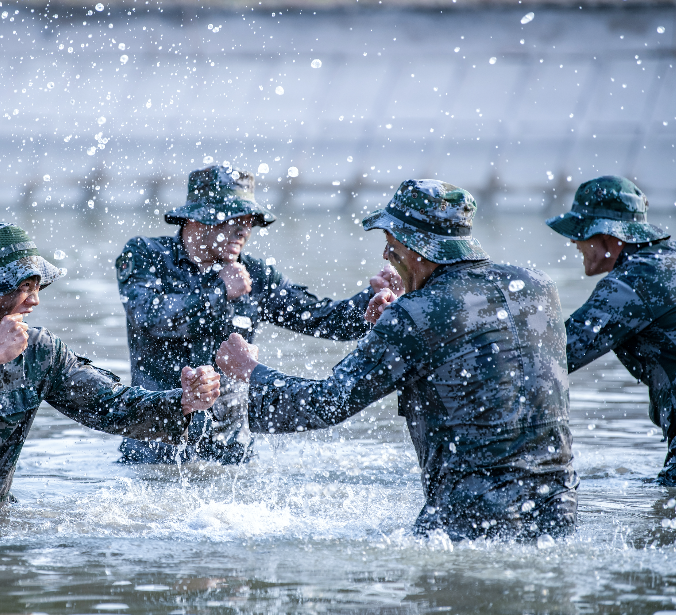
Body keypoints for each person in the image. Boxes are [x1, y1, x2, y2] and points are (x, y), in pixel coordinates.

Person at [216, 179, 579, 541]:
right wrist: (394, 325)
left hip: (468, 519)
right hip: (557, 509)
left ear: (414, 248)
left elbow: (326, 403)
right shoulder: (538, 286)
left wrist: (251, 371)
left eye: (390, 248)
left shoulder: (415, 313)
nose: (387, 258)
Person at [0, 223, 220, 522]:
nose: (34, 301)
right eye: (23, 287)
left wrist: (183, 402)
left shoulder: (39, 351)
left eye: (37, 288)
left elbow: (110, 406)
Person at [115, 163, 377, 464]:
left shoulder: (257, 276)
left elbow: (322, 319)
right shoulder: (146, 255)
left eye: (249, 219)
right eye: (233, 217)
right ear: (197, 218)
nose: (244, 229)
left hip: (230, 458)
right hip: (155, 448)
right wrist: (218, 291)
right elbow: (149, 316)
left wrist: (373, 304)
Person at [545, 176, 676, 484]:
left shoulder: (634, 281)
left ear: (607, 235)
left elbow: (557, 354)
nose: (574, 243)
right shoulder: (664, 263)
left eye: (581, 233)